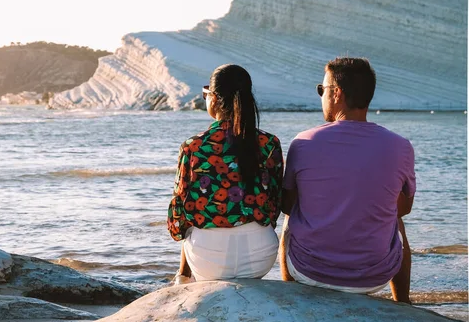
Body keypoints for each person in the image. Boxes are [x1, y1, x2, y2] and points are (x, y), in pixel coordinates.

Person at [279, 57, 416, 303]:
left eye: (322, 90)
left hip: (308, 273)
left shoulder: (303, 142)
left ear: (336, 93)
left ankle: (292, 298)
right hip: (375, 277)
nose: (321, 96)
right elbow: (404, 209)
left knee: (290, 218)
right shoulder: (400, 146)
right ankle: (403, 302)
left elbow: (287, 205)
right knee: (394, 218)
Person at [167, 63, 283, 283]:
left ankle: (183, 276)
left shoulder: (193, 146)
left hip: (208, 260)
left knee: (191, 210)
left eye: (206, 94)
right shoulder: (269, 143)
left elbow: (179, 211)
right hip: (261, 256)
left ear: (214, 98)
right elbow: (275, 203)